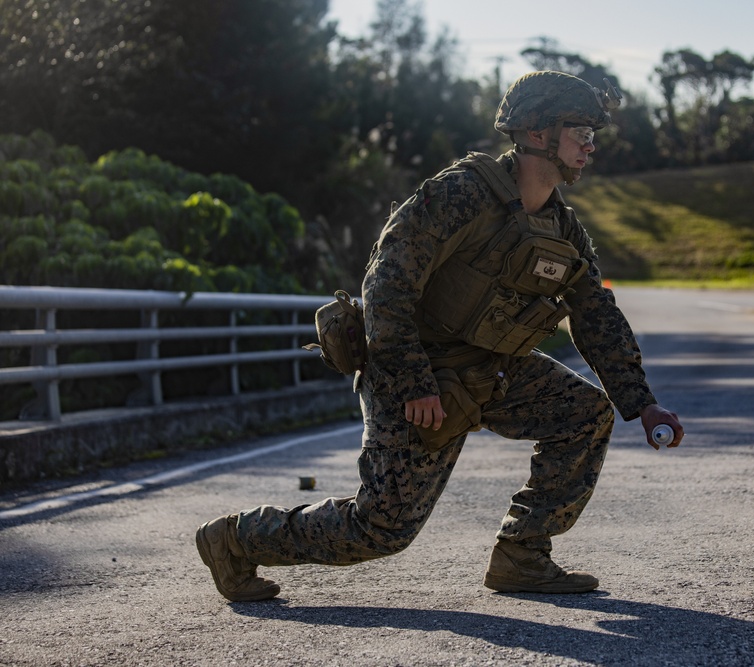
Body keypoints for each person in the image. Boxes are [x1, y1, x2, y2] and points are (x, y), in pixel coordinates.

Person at [195, 70, 684, 602]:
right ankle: (235, 540)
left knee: (585, 416)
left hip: (493, 368)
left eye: (594, 136)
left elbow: (597, 315)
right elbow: (386, 288)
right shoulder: (460, 195)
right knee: (380, 529)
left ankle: (523, 553)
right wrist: (413, 382)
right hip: (416, 371)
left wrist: (643, 404)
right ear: (538, 133)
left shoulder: (562, 227)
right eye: (581, 132)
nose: (590, 147)